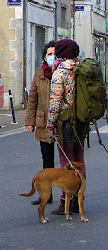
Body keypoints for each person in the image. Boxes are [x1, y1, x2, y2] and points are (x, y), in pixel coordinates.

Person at [47, 38, 84, 216]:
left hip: (66, 121)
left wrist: (49, 124)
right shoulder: (82, 70)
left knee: (66, 162)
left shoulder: (60, 72)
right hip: (82, 121)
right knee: (79, 159)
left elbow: (55, 101)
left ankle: (66, 200)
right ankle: (80, 196)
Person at [25, 40, 56, 205]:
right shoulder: (39, 73)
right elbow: (33, 98)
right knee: (47, 161)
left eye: (54, 54)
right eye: (49, 54)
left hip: (62, 121)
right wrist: (30, 121)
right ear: (44, 57)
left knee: (67, 161)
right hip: (44, 122)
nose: (52, 57)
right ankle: (47, 195)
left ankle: (69, 196)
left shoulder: (64, 71)